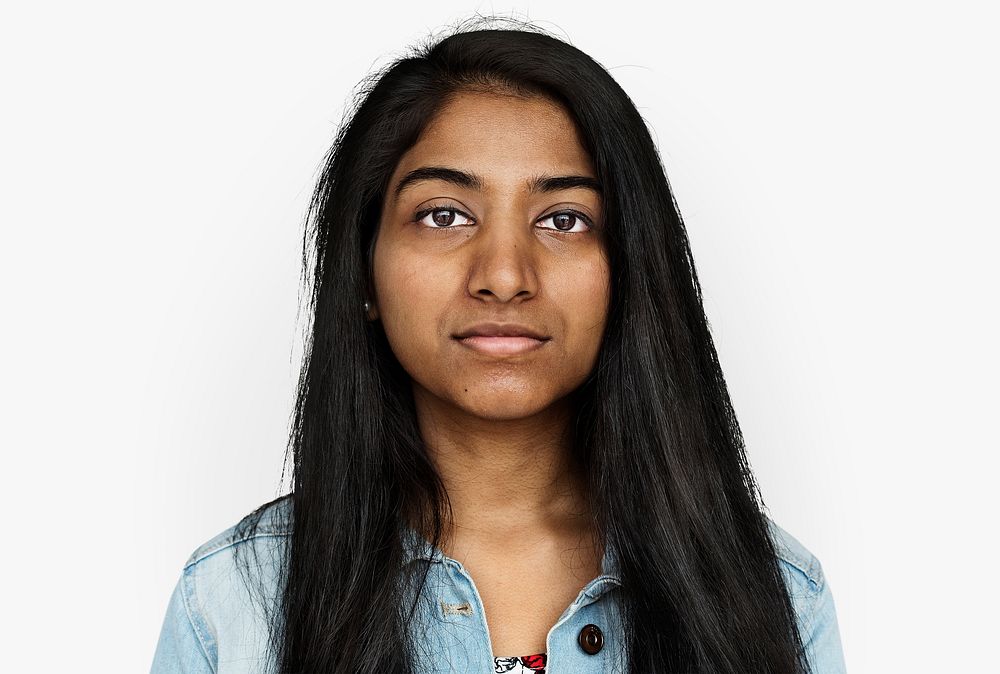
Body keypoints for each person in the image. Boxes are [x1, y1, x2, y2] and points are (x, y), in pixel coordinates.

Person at [151, 18, 846, 674]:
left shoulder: (776, 595)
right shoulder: (231, 607)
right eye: (444, 215)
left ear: (629, 270)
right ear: (364, 271)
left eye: (564, 219)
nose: (506, 276)